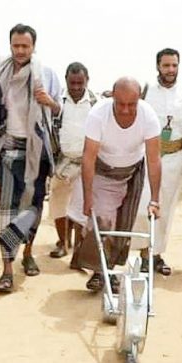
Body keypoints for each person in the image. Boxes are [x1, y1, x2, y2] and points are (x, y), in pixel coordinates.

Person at [0, 23, 59, 293]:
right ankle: (7, 269)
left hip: (36, 151)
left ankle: (28, 253)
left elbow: (59, 110)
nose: (20, 51)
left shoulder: (46, 74)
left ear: (34, 46)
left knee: (32, 208)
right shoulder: (0, 71)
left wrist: (48, 101)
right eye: (16, 46)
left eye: (25, 46)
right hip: (7, 149)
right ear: (10, 45)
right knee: (7, 209)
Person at [69, 77, 161, 292]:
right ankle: (98, 271)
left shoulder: (148, 116)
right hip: (103, 171)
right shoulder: (98, 115)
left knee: (124, 225)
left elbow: (154, 159)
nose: (126, 110)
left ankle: (108, 271)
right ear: (112, 97)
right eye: (121, 104)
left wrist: (155, 199)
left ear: (140, 99)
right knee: (102, 220)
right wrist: (88, 197)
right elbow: (88, 158)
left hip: (133, 171)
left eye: (132, 104)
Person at [132, 48, 182, 275]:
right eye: (166, 65)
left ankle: (154, 255)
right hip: (147, 156)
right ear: (158, 66)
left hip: (174, 158)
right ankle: (142, 252)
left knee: (165, 208)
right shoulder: (146, 91)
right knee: (143, 206)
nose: (170, 70)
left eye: (174, 65)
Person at [48, 62, 98, 258]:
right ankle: (62, 242)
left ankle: (78, 249)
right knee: (58, 203)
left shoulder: (96, 103)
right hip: (62, 161)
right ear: (66, 80)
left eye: (80, 83)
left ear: (87, 80)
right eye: (72, 83)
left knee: (80, 207)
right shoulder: (58, 102)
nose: (76, 87)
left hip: (87, 162)